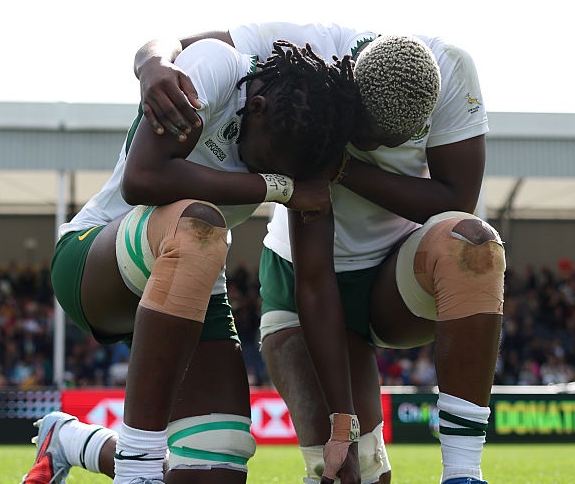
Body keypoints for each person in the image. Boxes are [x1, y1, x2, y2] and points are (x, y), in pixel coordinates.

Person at [135, 22, 504, 484]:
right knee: (354, 473)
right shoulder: (306, 50)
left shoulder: (450, 69)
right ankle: (84, 444)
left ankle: (464, 472)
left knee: (472, 243)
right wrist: (152, 63)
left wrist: (344, 167)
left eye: (391, 144)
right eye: (365, 137)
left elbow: (457, 199)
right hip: (303, 278)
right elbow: (183, 44)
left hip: (393, 279)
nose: (375, 148)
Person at [20, 38, 359, 484]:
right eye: (277, 166)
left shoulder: (308, 141)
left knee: (215, 467)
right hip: (95, 260)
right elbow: (143, 178)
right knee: (199, 223)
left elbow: (315, 285)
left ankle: (71, 441)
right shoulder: (216, 69)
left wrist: (343, 425)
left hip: (194, 284)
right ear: (256, 108)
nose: (283, 175)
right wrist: (279, 187)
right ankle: (137, 470)